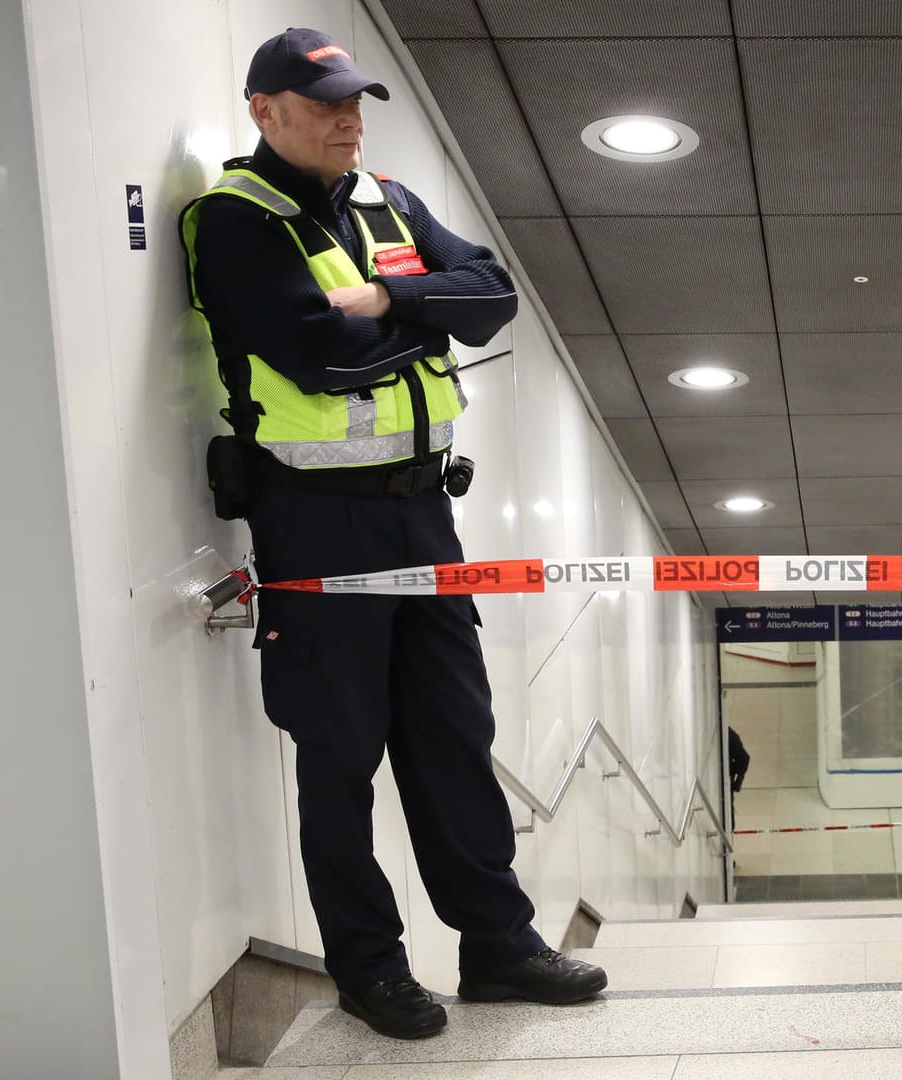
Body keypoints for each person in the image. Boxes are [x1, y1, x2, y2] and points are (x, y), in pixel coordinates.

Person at [179, 28, 607, 1041]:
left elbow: (493, 295)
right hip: (315, 526)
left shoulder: (390, 202)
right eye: (323, 101)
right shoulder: (233, 221)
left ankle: (498, 948)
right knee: (341, 757)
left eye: (354, 101)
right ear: (265, 112)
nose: (347, 118)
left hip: (424, 513)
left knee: (454, 736)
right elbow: (323, 357)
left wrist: (390, 297)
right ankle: (369, 968)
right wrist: (421, 315)